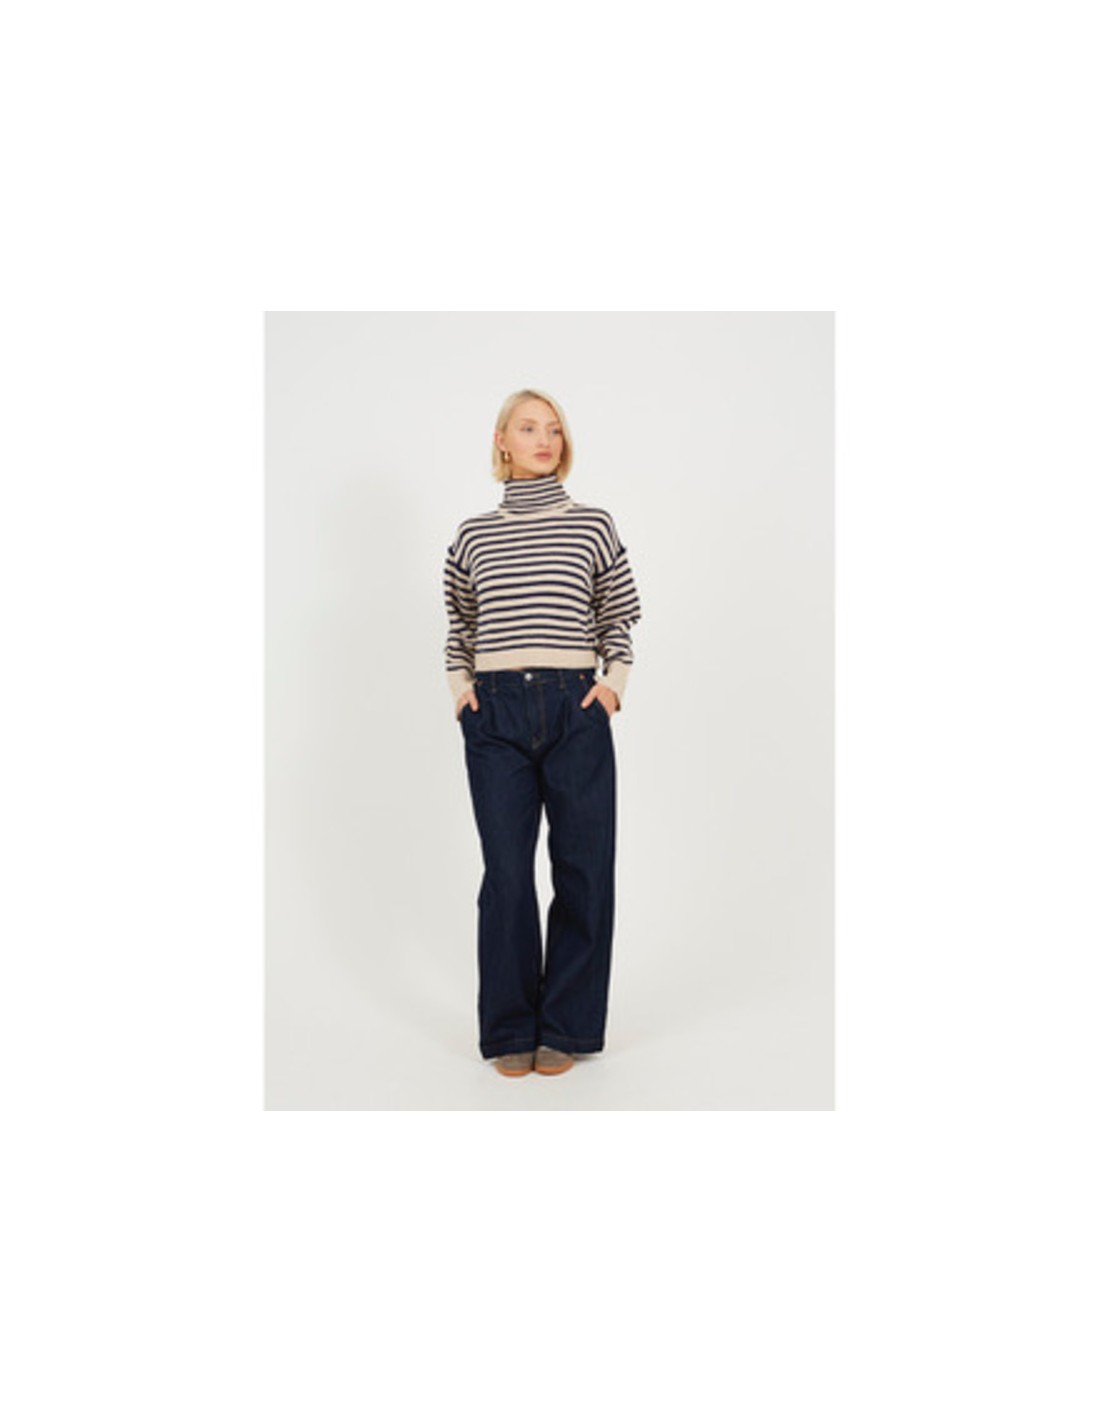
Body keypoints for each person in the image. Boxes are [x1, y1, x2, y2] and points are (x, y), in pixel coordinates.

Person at [443, 389, 642, 1078]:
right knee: (506, 875)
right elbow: (461, 624)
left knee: (584, 869)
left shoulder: (592, 525)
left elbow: (618, 613)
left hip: (574, 705)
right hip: (494, 712)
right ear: (502, 440)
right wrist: (462, 691)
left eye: (553, 429)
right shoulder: (473, 536)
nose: (544, 439)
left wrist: (612, 686)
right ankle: (508, 1029)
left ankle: (566, 1026)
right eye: (528, 428)